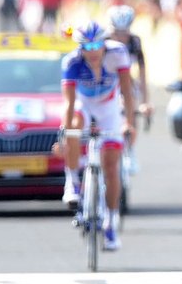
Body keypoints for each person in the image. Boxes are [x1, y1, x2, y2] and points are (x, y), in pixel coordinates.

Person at [59, 22, 138, 252]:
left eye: (97, 45)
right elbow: (69, 103)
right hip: (84, 105)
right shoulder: (71, 62)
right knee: (73, 125)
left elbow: (127, 92)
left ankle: (111, 222)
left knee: (111, 167)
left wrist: (128, 123)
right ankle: (72, 181)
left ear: (104, 43)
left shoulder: (118, 54)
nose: (92, 51)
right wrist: (65, 130)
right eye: (86, 46)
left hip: (109, 107)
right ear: (79, 48)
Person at [106, 4, 153, 129]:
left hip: (126, 80)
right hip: (106, 81)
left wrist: (145, 101)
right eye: (117, 33)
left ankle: (130, 142)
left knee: (130, 107)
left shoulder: (134, 41)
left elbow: (142, 72)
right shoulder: (103, 41)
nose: (121, 37)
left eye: (124, 33)